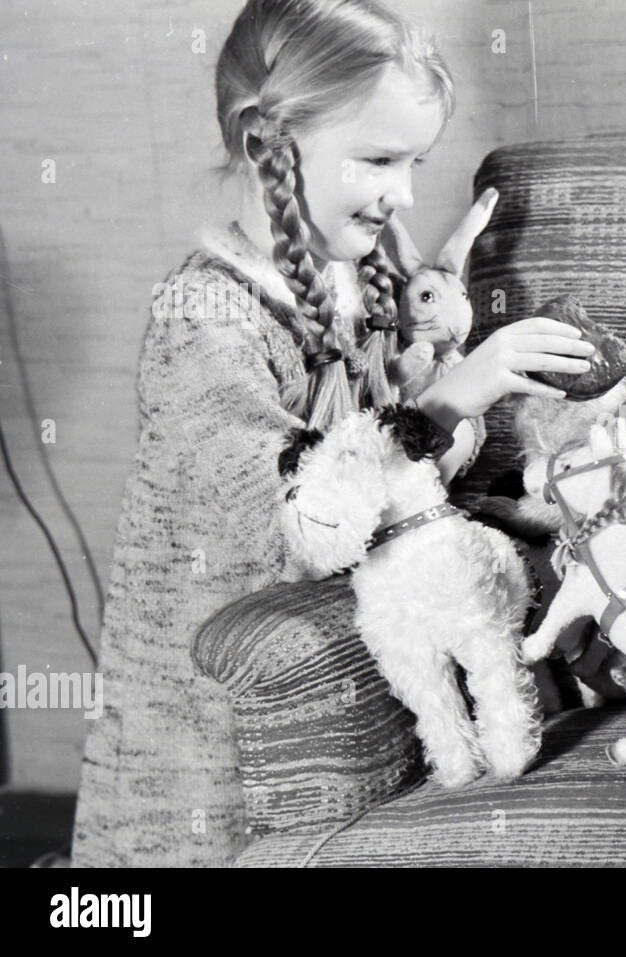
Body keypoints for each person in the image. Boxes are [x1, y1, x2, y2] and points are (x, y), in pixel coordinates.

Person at [72, 0, 593, 867]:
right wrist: (452, 396)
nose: (407, 192)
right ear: (265, 144)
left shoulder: (364, 283)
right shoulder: (204, 318)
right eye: (381, 159)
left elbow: (425, 471)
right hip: (215, 705)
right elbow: (307, 520)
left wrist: (442, 374)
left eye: (416, 160)